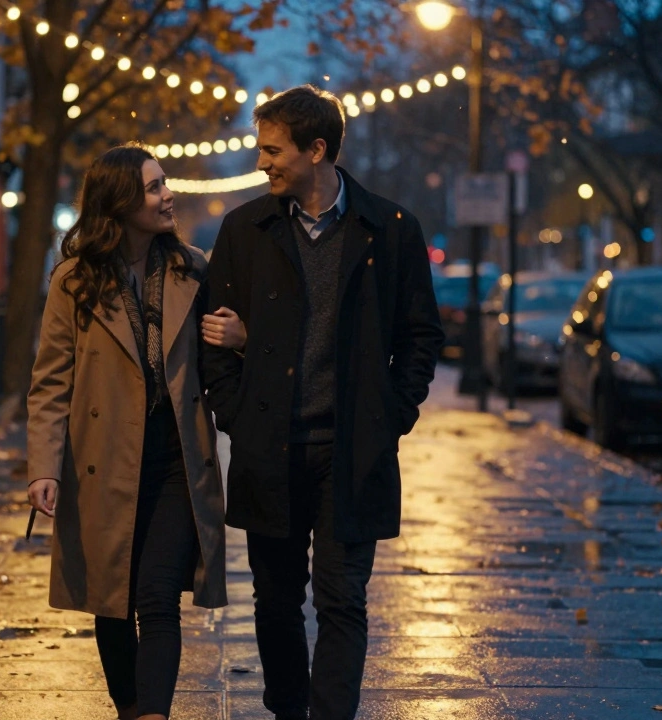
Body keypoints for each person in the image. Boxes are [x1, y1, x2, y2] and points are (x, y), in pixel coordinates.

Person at [201, 85, 445, 720]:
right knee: (275, 601)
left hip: (351, 450)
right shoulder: (244, 230)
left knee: (342, 599)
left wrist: (393, 414)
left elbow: (421, 336)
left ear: (317, 149)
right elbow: (212, 341)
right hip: (269, 448)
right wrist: (238, 416)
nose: (262, 162)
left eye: (273, 149)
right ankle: (288, 709)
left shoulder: (390, 229)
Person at [26, 143, 236, 720]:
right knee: (112, 603)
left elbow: (219, 354)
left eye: (164, 183)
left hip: (176, 462)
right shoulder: (74, 281)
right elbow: (51, 380)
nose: (168, 195)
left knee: (157, 599)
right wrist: (44, 466)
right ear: (118, 202)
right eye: (153, 187)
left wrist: (237, 337)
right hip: (104, 463)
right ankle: (129, 709)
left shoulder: (191, 268)